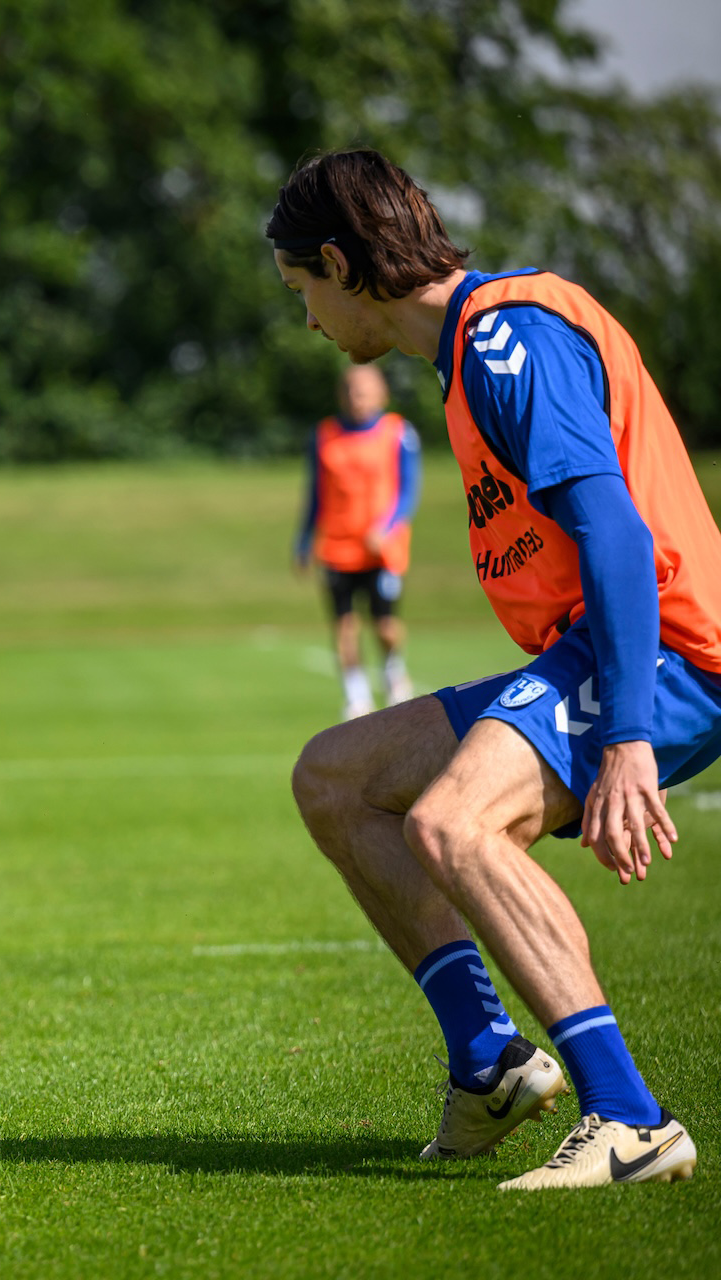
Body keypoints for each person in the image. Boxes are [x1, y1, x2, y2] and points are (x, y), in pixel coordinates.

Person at [271, 148, 718, 1189]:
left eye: (304, 292)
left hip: (669, 651)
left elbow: (611, 527)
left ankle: (631, 1117)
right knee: (337, 775)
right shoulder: (468, 358)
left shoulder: (508, 339)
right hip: (600, 647)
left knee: (453, 821)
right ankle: (489, 1059)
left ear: (340, 262)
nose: (309, 324)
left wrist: (630, 738)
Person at [294, 364, 420, 718]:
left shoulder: (399, 433)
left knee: (385, 626)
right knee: (345, 625)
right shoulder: (324, 436)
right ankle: (357, 696)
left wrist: (388, 526)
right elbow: (316, 494)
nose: (357, 398)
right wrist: (304, 541)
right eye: (351, 391)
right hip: (337, 546)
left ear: (382, 393)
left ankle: (393, 671)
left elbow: (408, 491)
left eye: (364, 391)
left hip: (380, 549)